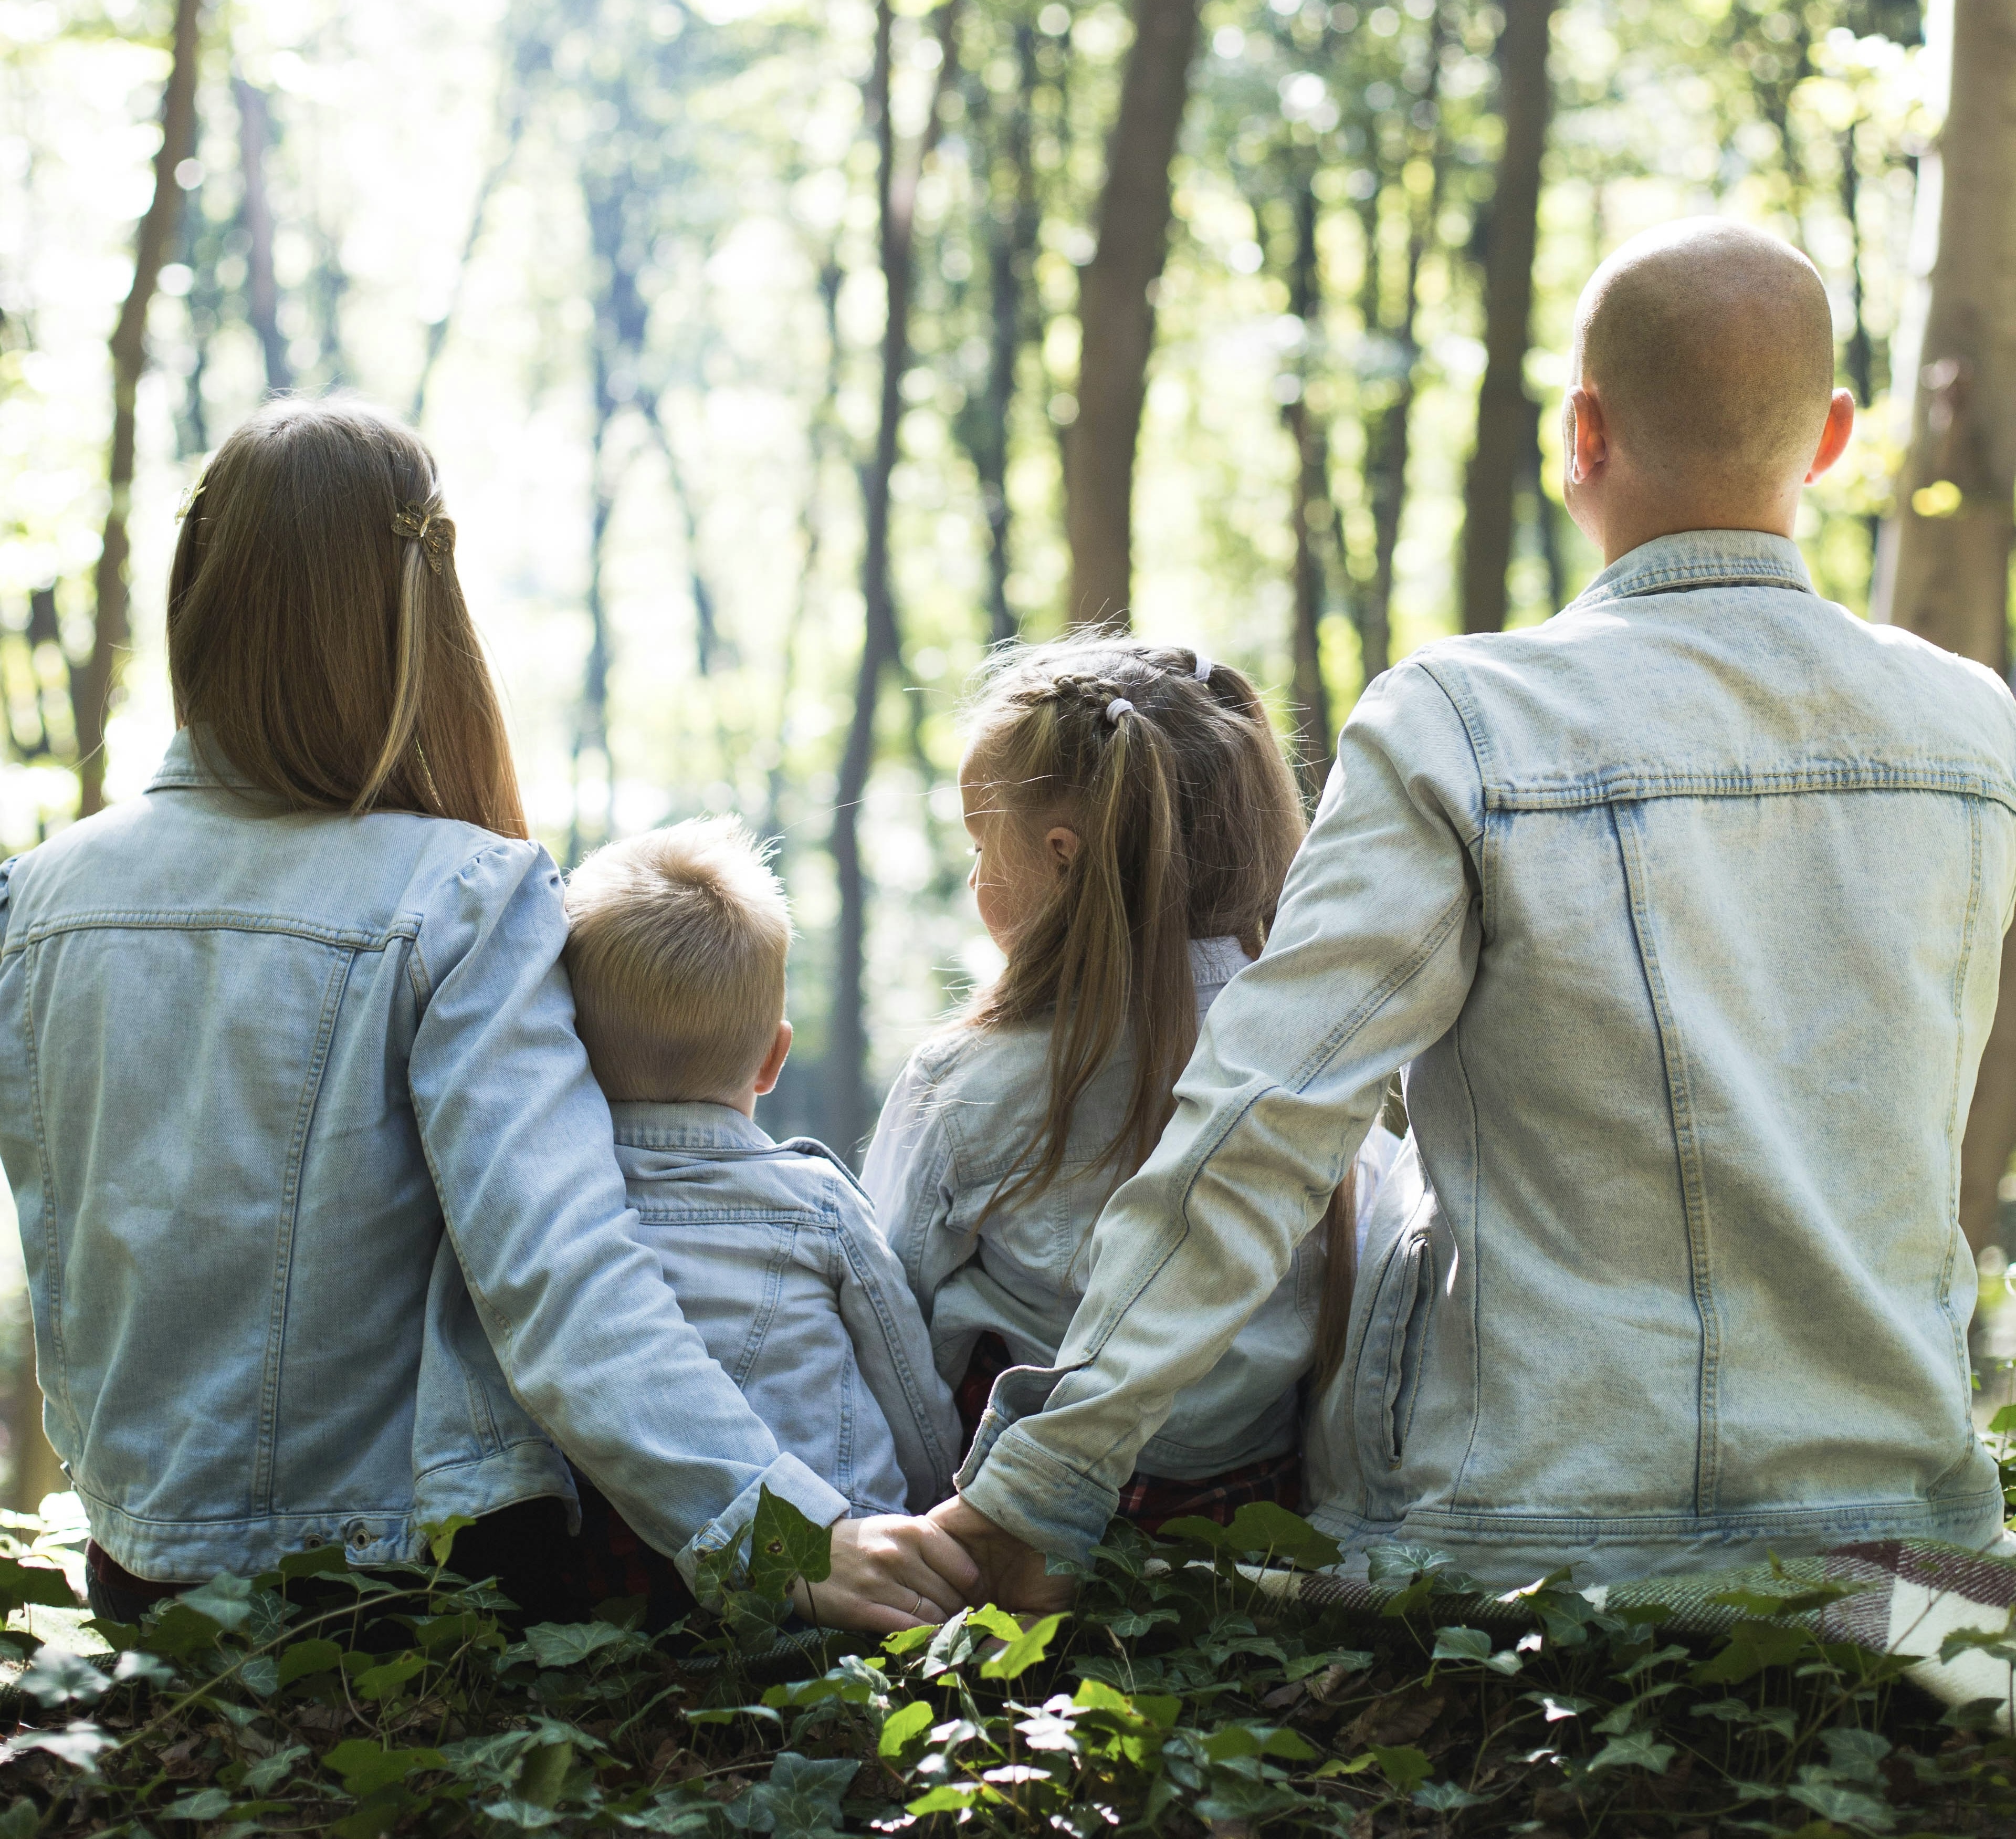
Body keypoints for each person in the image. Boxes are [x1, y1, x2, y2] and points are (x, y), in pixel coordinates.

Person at [932, 217, 2016, 1602]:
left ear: (1580, 432)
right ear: (1832, 440)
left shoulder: (1464, 721)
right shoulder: (1975, 731)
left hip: (1527, 1541)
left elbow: (1264, 1120)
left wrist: (1043, 1482)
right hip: (1907, 1545)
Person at [0, 396, 974, 1632]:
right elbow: (562, 1277)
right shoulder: (462, 894)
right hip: (399, 1593)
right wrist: (784, 1533)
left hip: (141, 1580)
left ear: (197, 590)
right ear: (422, 615)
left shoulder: (35, 897)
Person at [865, 639, 1401, 1531]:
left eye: (979, 843)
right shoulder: (1323, 1074)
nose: (971, 877)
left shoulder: (965, 1084)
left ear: (1062, 856)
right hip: (1251, 1525)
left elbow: (887, 1316)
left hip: (1006, 1527)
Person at [561, 817, 960, 1530]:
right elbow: (914, 1402)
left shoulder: (553, 1210)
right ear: (774, 1059)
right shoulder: (819, 1204)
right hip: (843, 1560)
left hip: (630, 1579)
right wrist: (935, 1504)